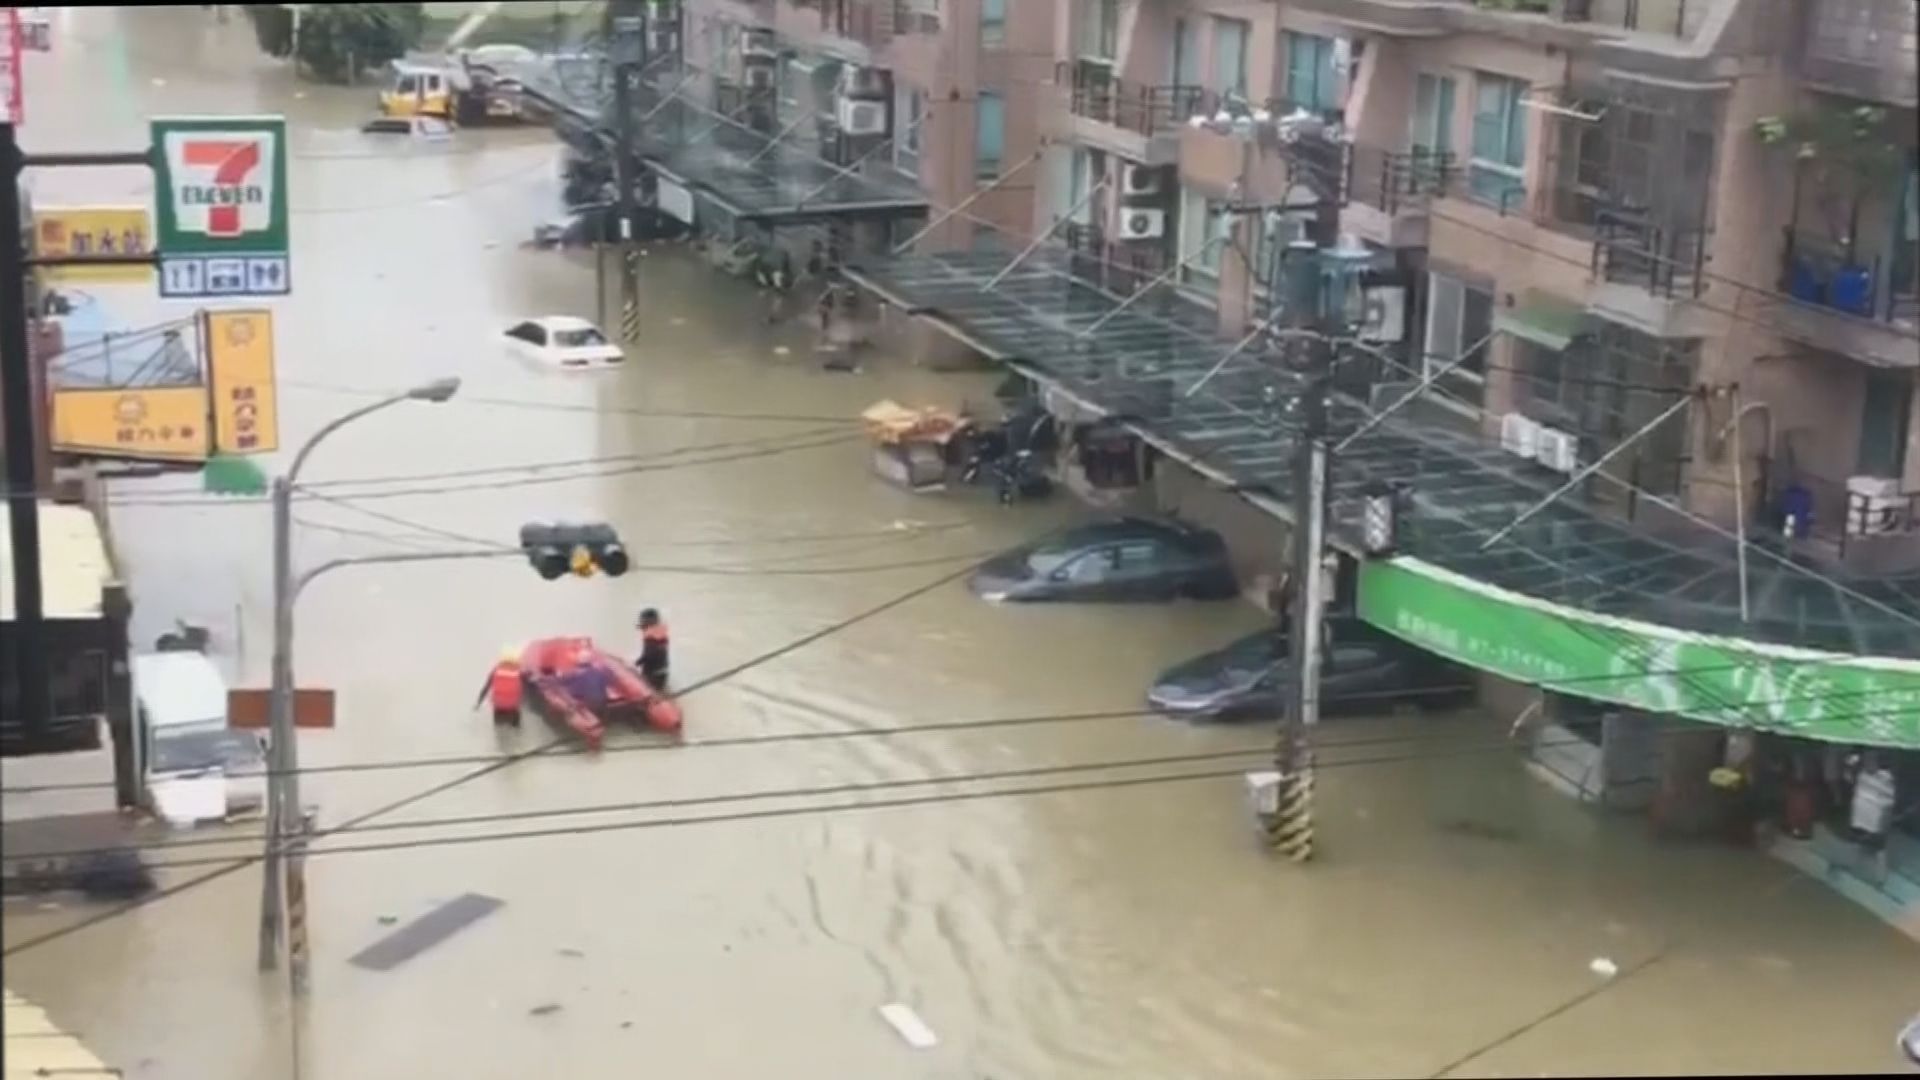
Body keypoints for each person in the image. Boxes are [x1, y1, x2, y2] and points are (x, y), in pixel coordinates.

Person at [473, 647, 524, 727]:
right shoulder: (519, 671)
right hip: (512, 707)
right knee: (516, 728)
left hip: (498, 706)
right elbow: (523, 689)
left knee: (499, 731)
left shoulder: (496, 670)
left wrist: (478, 703)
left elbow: (486, 688)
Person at [636, 608, 670, 690]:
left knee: (648, 690)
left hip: (652, 674)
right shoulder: (660, 634)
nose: (641, 622)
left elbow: (649, 655)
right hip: (663, 672)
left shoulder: (650, 637)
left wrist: (636, 663)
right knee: (659, 690)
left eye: (642, 620)